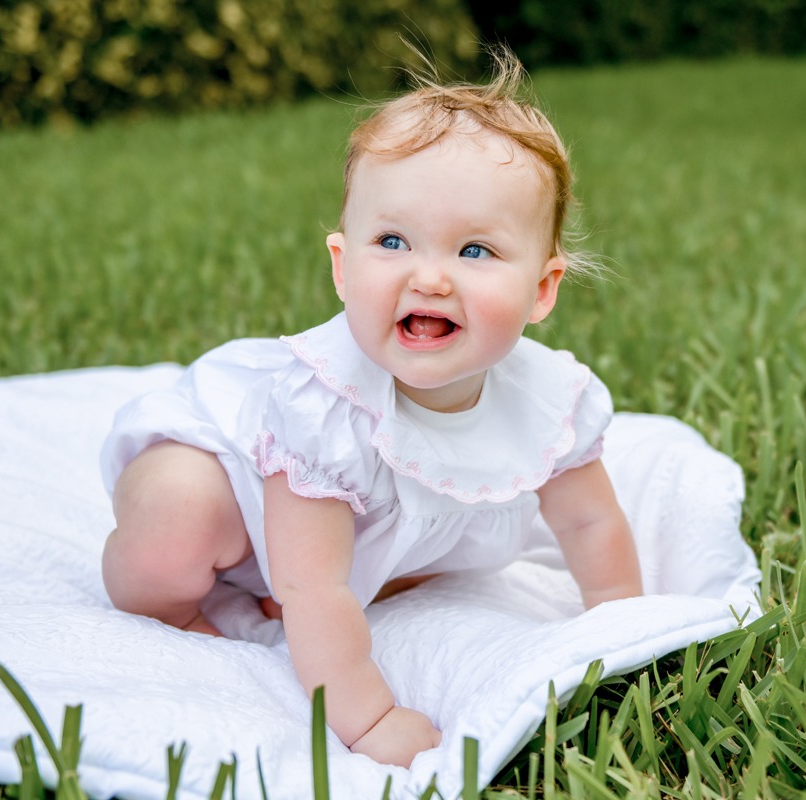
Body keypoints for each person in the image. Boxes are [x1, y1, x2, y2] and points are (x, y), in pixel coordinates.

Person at [99, 47, 643, 768]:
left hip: (327, 542)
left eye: (475, 251)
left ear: (542, 289)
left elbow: (588, 518)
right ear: (342, 266)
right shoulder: (322, 411)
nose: (429, 276)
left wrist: (624, 628)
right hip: (236, 485)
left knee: (400, 539)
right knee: (175, 517)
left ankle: (315, 579)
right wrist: (370, 716)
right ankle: (176, 608)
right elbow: (313, 585)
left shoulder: (550, 402)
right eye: (392, 241)